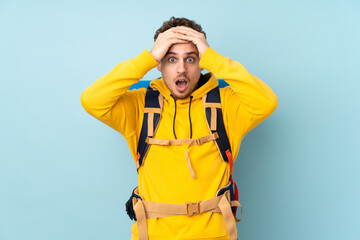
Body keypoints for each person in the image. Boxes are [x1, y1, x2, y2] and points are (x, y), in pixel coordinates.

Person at [81, 17, 278, 240]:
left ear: (201, 62)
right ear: (159, 64)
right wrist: (148, 57)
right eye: (171, 59)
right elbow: (92, 100)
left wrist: (213, 58)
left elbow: (267, 102)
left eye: (191, 59)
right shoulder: (140, 106)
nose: (181, 69)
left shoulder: (226, 105)